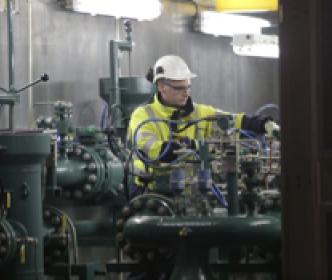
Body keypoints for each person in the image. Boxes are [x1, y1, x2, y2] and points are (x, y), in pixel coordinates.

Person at [127, 54, 279, 197]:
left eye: (188, 87)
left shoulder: (200, 113)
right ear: (161, 86)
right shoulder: (143, 115)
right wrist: (188, 146)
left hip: (192, 193)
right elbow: (153, 149)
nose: (186, 93)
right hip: (151, 193)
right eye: (179, 88)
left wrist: (261, 123)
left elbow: (231, 120)